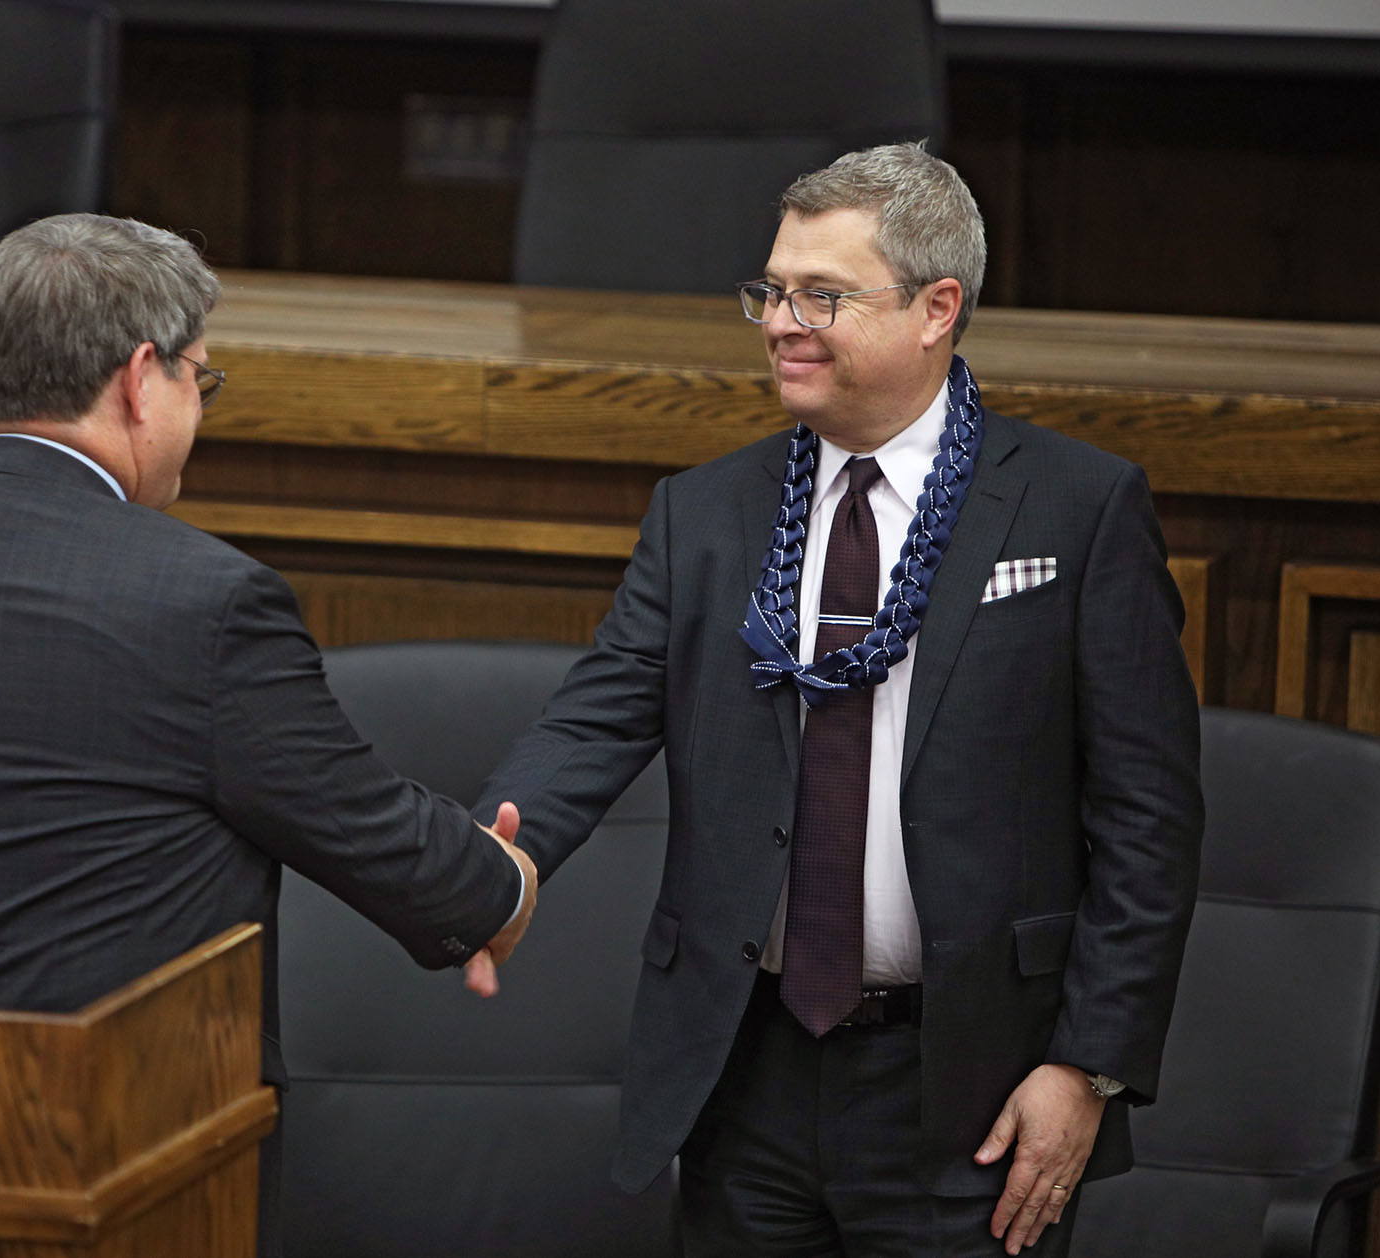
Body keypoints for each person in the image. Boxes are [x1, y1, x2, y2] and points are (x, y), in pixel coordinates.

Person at [0, 212, 537, 1256]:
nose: (197, 411)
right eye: (199, 382)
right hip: (124, 1177)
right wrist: (500, 883)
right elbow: (398, 853)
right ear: (138, 377)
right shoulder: (202, 602)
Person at [470, 143, 1202, 1257]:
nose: (779, 321)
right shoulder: (704, 514)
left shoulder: (1075, 511)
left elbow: (1148, 818)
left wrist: (1087, 1062)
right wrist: (495, 863)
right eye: (770, 290)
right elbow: (594, 718)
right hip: (743, 1070)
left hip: (969, 1088)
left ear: (935, 308)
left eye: (822, 295)